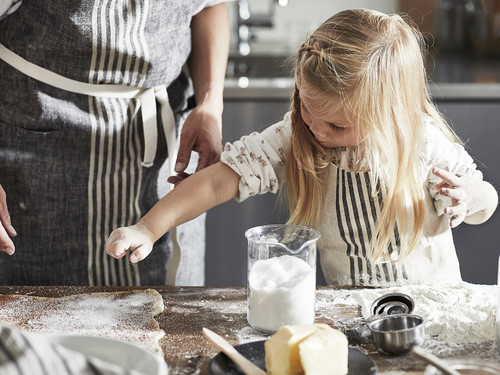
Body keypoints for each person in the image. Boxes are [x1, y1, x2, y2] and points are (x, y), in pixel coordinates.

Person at [106, 8, 498, 287]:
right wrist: (147, 227)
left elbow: (487, 199)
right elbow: (216, 182)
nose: (316, 130)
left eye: (337, 125)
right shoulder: (296, 138)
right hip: (348, 313)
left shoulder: (421, 143)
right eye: (306, 107)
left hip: (432, 312)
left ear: (388, 116)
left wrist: (468, 198)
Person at [0, 0, 229, 286]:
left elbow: (210, 5)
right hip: (38, 152)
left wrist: (210, 102)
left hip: (162, 146)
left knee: (167, 315)